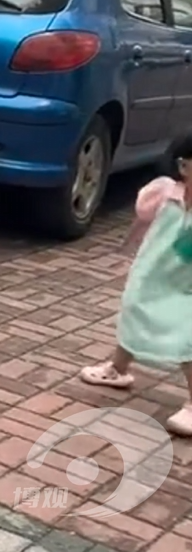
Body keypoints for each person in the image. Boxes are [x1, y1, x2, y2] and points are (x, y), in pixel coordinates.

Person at [81, 133, 192, 437]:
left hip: (187, 286)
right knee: (133, 312)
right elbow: (143, 211)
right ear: (183, 166)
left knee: (187, 338)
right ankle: (118, 368)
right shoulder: (166, 194)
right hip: (152, 274)